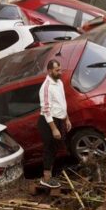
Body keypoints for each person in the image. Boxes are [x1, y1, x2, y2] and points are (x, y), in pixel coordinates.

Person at [38, 60, 71, 188]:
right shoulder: (46, 87)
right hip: (48, 122)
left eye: (60, 69)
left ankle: (50, 174)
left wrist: (66, 118)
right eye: (57, 70)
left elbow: (62, 102)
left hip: (59, 119)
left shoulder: (59, 82)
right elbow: (46, 109)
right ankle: (46, 178)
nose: (60, 72)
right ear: (50, 71)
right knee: (49, 149)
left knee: (56, 147)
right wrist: (54, 129)